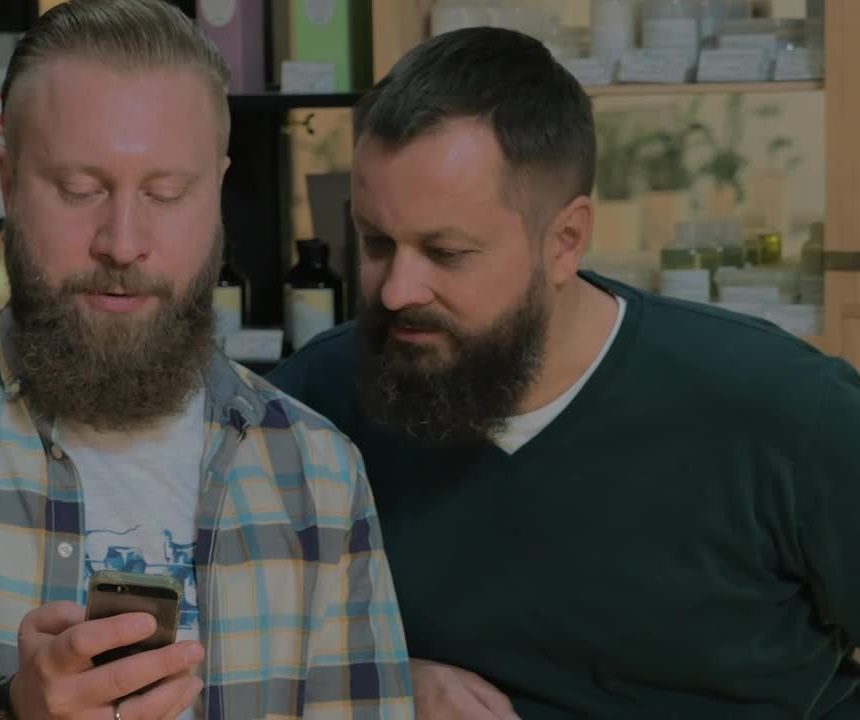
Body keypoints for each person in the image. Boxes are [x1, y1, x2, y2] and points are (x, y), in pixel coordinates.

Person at [0, 2, 413, 720]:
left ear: (218, 190)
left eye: (166, 193)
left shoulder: (318, 477)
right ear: (8, 185)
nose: (122, 242)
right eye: (80, 190)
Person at [270, 26, 860, 720]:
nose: (398, 289)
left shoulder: (787, 413)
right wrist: (380, 676)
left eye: (446, 252)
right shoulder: (310, 406)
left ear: (565, 242)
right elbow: (237, 642)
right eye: (375, 243)